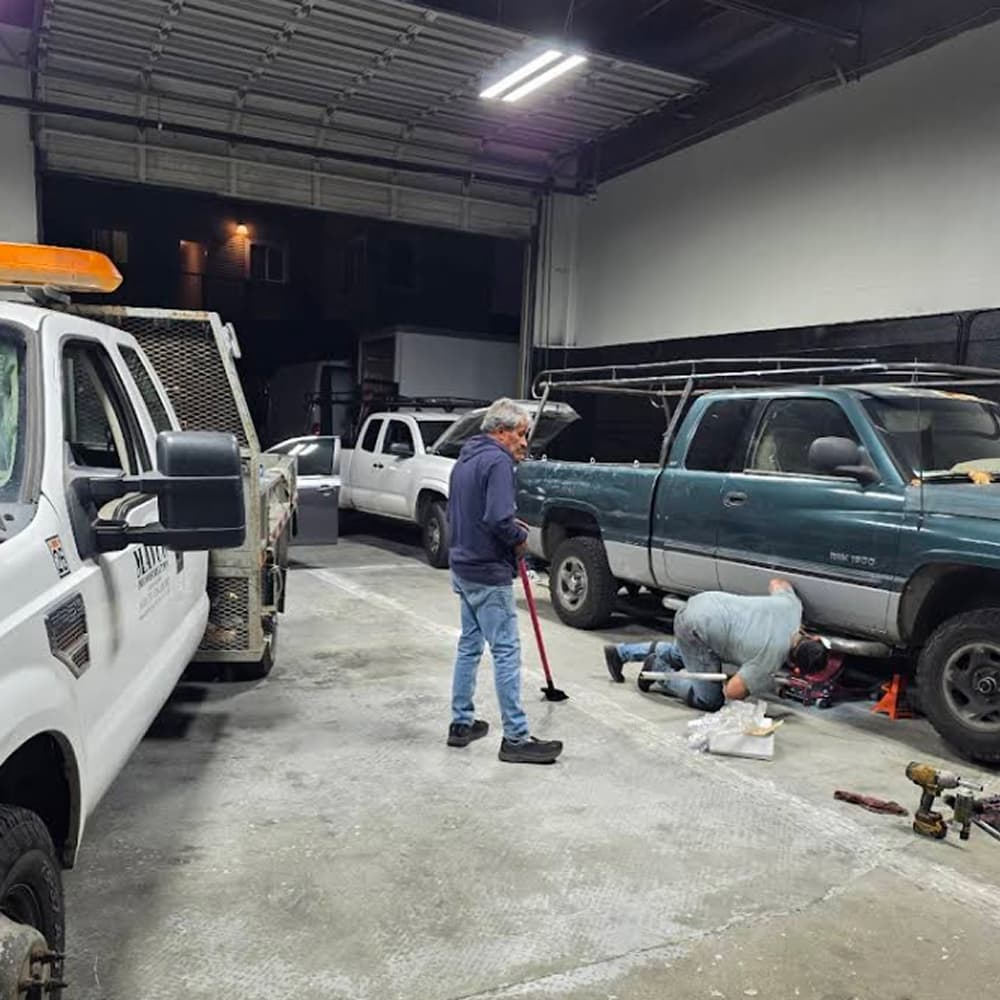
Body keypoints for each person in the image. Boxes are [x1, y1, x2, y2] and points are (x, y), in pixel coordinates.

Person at [447, 398, 563, 765]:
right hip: (487, 571)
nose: (525, 442)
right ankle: (515, 737)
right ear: (500, 431)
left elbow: (462, 513)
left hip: (462, 565)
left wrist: (507, 528)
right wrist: (517, 536)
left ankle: (461, 724)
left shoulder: (464, 460)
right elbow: (498, 518)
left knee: (469, 645)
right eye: (521, 433)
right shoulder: (497, 461)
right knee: (506, 651)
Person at [603, 579, 828, 711]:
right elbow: (732, 691)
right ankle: (657, 671)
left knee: (688, 656)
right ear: (797, 667)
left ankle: (621, 652)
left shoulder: (792, 606)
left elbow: (777, 582)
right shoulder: (770, 660)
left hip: (705, 603)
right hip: (697, 627)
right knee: (710, 700)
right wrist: (756, 681)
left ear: (814, 639)